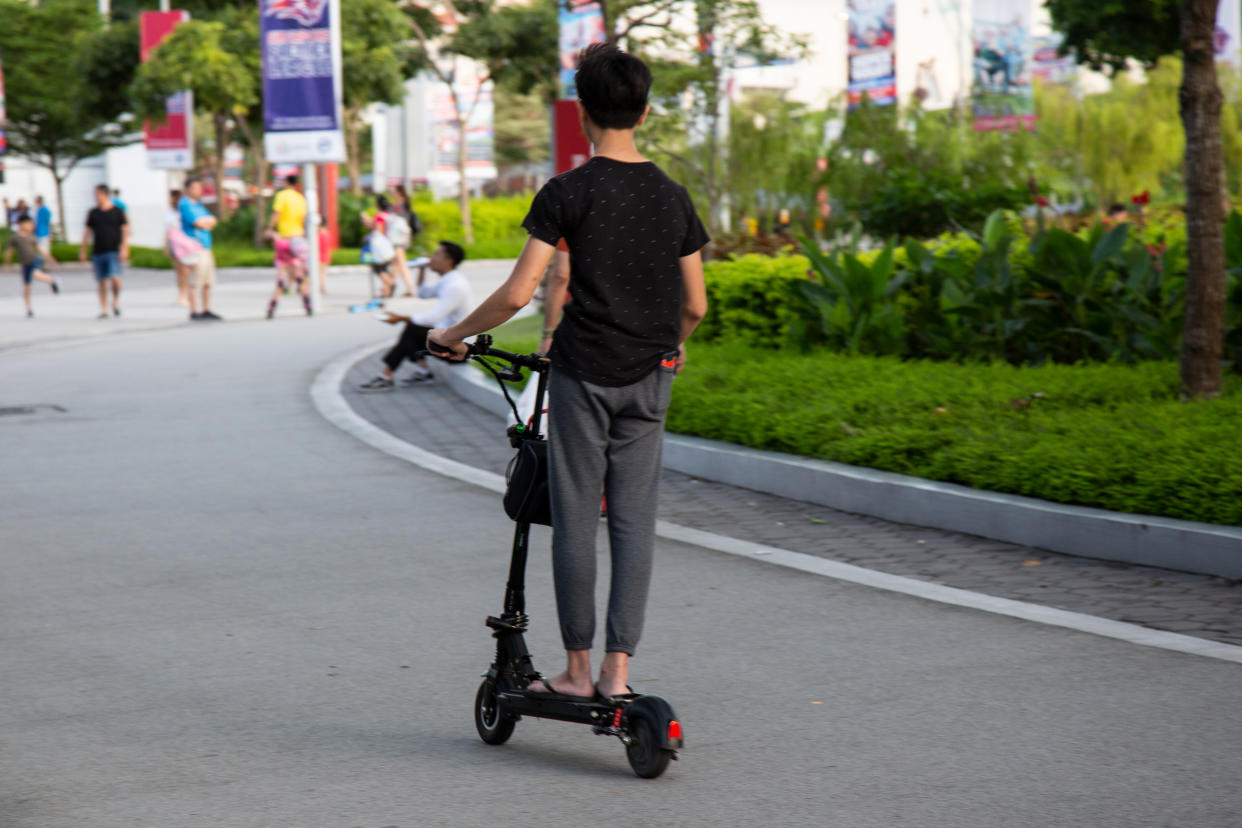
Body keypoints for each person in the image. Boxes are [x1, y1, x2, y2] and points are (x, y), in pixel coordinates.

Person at [428, 43, 708, 701]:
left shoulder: (568, 192)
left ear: (583, 112)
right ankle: (619, 673)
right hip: (652, 376)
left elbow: (518, 292)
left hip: (583, 376)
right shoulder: (673, 197)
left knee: (577, 517)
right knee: (635, 521)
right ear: (644, 109)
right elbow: (694, 303)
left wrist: (453, 335)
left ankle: (577, 672)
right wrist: (674, 342)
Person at [358, 241, 473, 391]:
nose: (431, 258)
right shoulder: (448, 279)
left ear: (449, 261)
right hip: (448, 338)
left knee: (413, 329)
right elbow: (423, 293)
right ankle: (418, 372)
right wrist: (422, 269)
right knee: (413, 332)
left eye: (437, 254)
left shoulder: (455, 286)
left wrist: (399, 317)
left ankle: (387, 376)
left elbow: (433, 318)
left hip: (459, 349)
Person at [79, 184, 129, 319]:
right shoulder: (93, 212)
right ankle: (104, 309)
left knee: (115, 278)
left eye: (97, 194)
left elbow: (125, 230)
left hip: (113, 250)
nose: (95, 197)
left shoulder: (117, 211)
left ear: (105, 195)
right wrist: (83, 250)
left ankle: (115, 301)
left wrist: (124, 247)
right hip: (98, 251)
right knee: (101, 281)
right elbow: (87, 232)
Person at [179, 178, 222, 321]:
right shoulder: (185, 204)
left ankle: (206, 309)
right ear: (189, 189)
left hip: (206, 246)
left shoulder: (197, 205)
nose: (199, 190)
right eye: (196, 187)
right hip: (194, 247)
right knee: (195, 280)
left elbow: (213, 220)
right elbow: (197, 223)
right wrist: (205, 223)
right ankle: (193, 311)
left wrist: (206, 223)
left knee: (207, 280)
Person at [4, 214, 61, 317]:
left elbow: (40, 249)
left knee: (36, 274)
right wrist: (7, 264)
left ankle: (52, 281)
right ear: (20, 224)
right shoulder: (15, 237)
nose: (30, 226)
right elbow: (9, 251)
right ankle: (28, 308)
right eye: (28, 224)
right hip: (24, 264)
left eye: (31, 224)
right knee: (26, 287)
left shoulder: (31, 237)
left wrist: (51, 259)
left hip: (33, 261)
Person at [264, 230, 312, 318]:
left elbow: (303, 263)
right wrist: (270, 232)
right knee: (280, 283)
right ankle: (272, 307)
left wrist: (306, 272)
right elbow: (273, 235)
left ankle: (307, 303)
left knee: (300, 280)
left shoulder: (301, 248)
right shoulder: (281, 245)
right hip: (282, 260)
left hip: (293, 260)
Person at [360, 195, 397, 300]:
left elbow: (377, 229)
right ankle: (388, 288)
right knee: (384, 268)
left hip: (379, 246)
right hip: (388, 245)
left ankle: (390, 284)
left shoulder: (380, 216)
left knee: (378, 268)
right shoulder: (389, 214)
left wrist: (366, 220)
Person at [164, 189, 194, 306]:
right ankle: (181, 294)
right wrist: (166, 245)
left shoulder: (183, 211)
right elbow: (167, 230)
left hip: (184, 243)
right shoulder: (169, 212)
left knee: (185, 270)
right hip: (173, 242)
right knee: (178, 271)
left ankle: (186, 294)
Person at [268, 174, 306, 242]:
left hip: (285, 235)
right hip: (299, 234)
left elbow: (277, 214)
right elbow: (303, 218)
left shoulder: (281, 195)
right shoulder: (300, 197)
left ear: (286, 182)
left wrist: (270, 228)